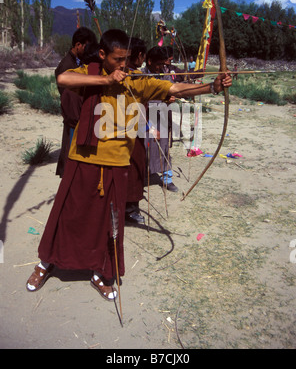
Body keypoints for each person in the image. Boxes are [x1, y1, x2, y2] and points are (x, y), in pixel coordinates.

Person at [25, 29, 232, 301]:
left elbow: (175, 87)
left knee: (108, 223)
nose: (123, 65)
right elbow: (63, 78)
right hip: (83, 158)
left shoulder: (138, 82)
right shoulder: (91, 71)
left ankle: (100, 272)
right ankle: (46, 263)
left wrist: (212, 87)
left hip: (116, 163)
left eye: (126, 60)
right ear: (103, 55)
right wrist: (105, 78)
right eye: (117, 59)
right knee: (68, 214)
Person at [55, 27, 100, 178]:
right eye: (86, 46)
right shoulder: (67, 66)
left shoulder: (77, 62)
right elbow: (69, 96)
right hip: (74, 118)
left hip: (77, 117)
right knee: (71, 157)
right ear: (78, 45)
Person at [142, 46, 179, 192]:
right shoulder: (140, 75)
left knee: (163, 146)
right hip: (144, 116)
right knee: (144, 147)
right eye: (158, 65)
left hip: (161, 115)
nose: (161, 68)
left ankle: (167, 178)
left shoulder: (164, 73)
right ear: (149, 61)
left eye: (163, 65)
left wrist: (169, 99)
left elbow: (170, 88)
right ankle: (142, 175)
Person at [125, 37, 147, 224]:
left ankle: (127, 208)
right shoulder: (134, 75)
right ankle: (130, 210)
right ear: (139, 55)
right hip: (130, 130)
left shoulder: (126, 73)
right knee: (133, 169)